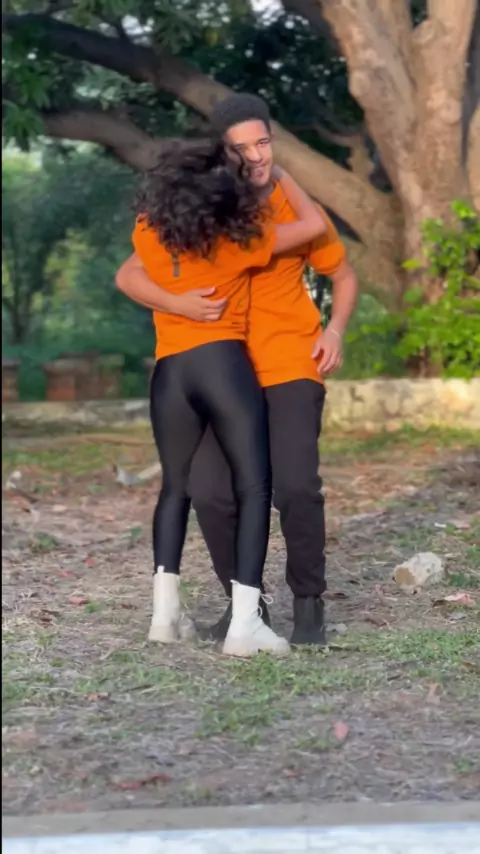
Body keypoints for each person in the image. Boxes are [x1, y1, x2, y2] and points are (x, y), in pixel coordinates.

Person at [117, 94, 358, 648]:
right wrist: (180, 304)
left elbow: (342, 274)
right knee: (209, 492)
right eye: (241, 147)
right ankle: (246, 604)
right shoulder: (203, 210)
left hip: (289, 361)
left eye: (263, 142)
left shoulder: (290, 206)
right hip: (223, 371)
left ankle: (309, 603)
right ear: (221, 154)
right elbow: (131, 273)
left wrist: (335, 330)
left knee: (295, 486)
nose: (256, 156)